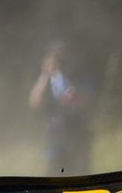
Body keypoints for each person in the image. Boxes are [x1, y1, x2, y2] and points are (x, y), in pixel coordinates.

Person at [29, 41, 94, 174]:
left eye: (63, 58)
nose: (60, 62)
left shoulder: (79, 76)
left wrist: (75, 96)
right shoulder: (47, 80)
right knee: (55, 172)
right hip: (56, 134)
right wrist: (45, 74)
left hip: (77, 131)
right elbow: (35, 102)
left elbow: (88, 100)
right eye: (56, 58)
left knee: (80, 172)